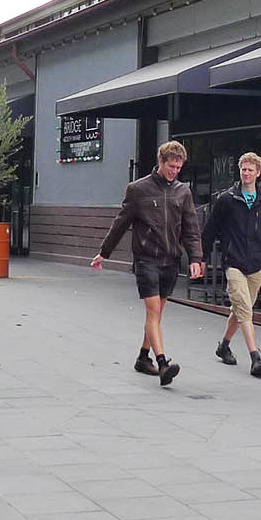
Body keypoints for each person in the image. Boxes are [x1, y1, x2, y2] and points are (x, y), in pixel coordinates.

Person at [91, 140, 204, 387]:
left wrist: (195, 258)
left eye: (179, 168)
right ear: (161, 161)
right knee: (153, 310)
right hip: (146, 258)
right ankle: (163, 363)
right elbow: (121, 223)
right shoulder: (138, 189)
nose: (175, 172)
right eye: (171, 166)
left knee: (157, 313)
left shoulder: (183, 192)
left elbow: (191, 229)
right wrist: (104, 252)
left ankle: (143, 357)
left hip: (171, 260)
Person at [202, 152, 261, 378]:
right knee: (245, 309)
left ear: (258, 173)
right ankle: (256, 357)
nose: (246, 173)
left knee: (241, 309)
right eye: (243, 169)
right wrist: (202, 257)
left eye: (250, 170)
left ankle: (224, 346)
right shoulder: (227, 199)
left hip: (257, 263)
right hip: (233, 261)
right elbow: (211, 229)